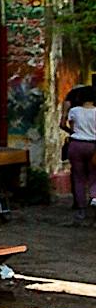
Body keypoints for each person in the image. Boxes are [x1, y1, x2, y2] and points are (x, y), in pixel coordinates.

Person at [62, 85, 96, 221]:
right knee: (94, 175)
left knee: (78, 177)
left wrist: (76, 134)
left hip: (76, 145)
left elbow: (70, 127)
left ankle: (81, 209)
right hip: (93, 145)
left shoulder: (74, 111)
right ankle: (94, 198)